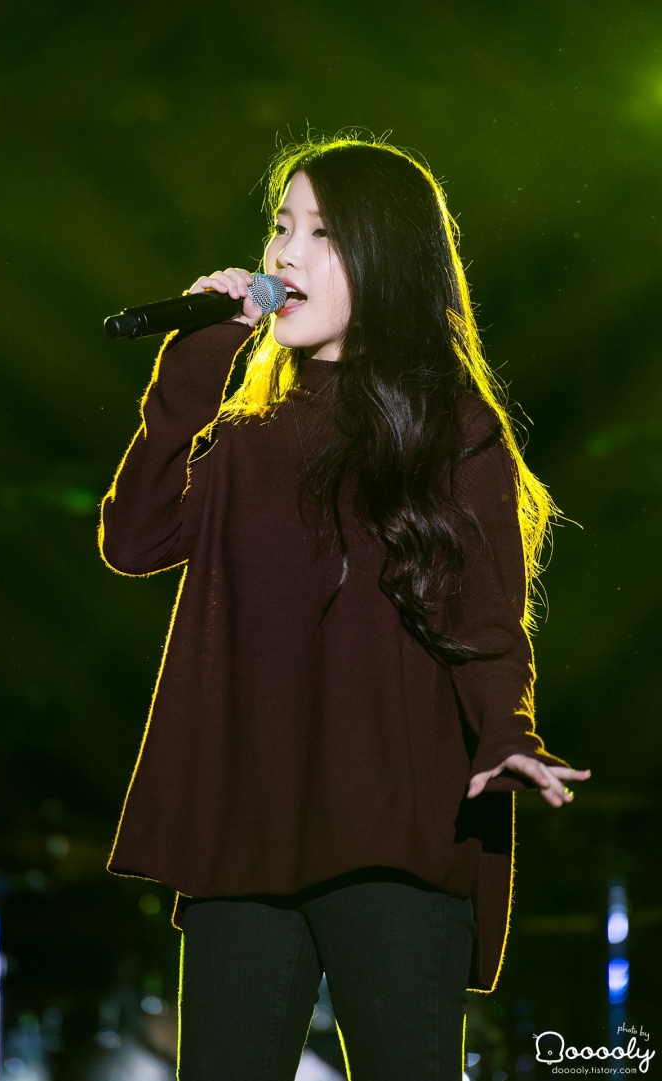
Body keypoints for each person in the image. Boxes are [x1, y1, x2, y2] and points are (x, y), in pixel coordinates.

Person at [99, 136, 590, 1081]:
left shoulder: (452, 428)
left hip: (395, 831)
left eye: (320, 232)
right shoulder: (243, 439)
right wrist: (194, 362)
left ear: (386, 258)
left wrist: (507, 732)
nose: (284, 253)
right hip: (245, 832)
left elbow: (484, 618)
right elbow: (133, 539)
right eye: (281, 226)